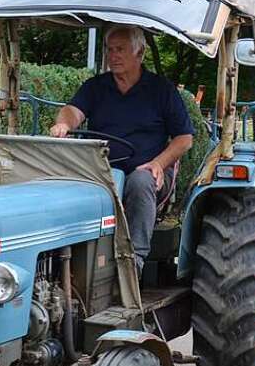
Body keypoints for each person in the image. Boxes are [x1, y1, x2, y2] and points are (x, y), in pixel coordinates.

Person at [49, 25, 195, 274]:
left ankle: (133, 262)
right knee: (64, 181)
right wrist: (63, 123)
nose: (113, 55)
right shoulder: (96, 87)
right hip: (102, 169)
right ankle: (65, 258)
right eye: (109, 49)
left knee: (139, 180)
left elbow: (184, 138)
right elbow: (73, 111)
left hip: (149, 171)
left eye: (120, 50)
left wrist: (159, 163)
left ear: (140, 53)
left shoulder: (161, 90)